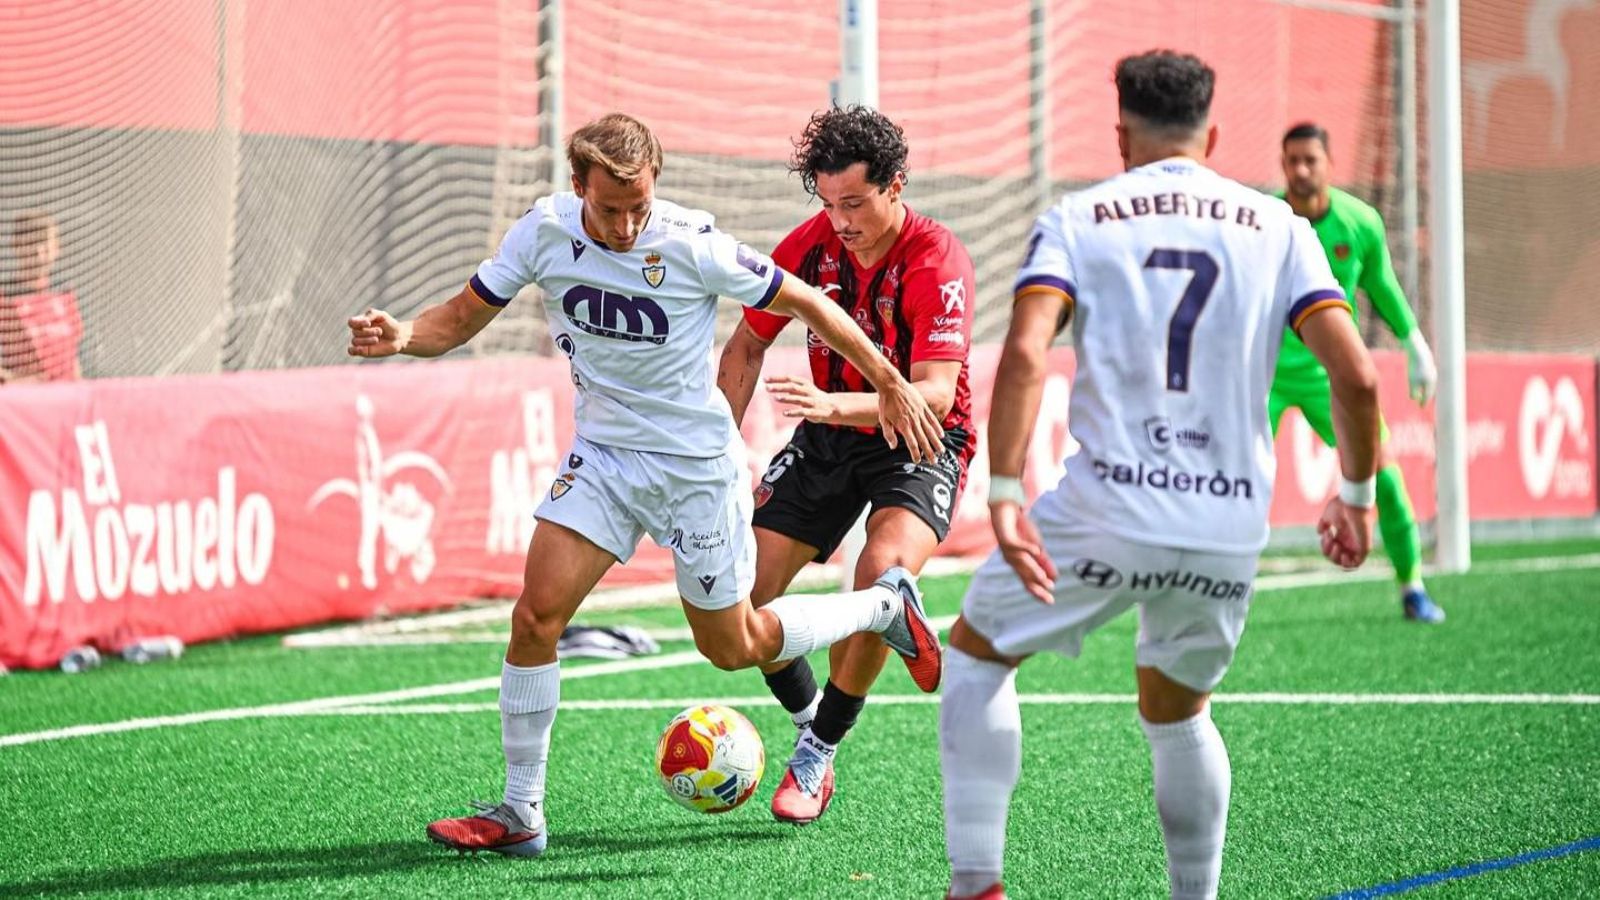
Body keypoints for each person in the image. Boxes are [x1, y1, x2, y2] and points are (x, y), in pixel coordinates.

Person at [344, 113, 947, 858]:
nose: (627, 226)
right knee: (535, 618)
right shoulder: (542, 233)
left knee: (734, 647)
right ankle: (521, 810)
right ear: (578, 188)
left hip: (695, 472)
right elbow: (461, 317)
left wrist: (888, 380)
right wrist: (404, 336)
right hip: (604, 461)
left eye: (639, 207)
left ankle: (881, 607)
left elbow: (810, 304)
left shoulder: (691, 243)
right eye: (609, 210)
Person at [937, 51, 1382, 900]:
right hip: (1223, 525)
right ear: (1211, 135)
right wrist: (1354, 497)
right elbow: (1357, 377)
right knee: (1178, 713)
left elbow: (1028, 350)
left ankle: (978, 884)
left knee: (977, 654)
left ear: (1120, 135)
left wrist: (1001, 493)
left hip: (1104, 510)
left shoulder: (1079, 217)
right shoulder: (1278, 227)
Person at [716, 106, 977, 825]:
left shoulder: (938, 258)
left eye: (855, 203)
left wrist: (832, 405)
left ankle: (819, 751)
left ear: (897, 186)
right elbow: (744, 346)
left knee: (879, 572)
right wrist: (714, 449)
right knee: (739, 605)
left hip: (921, 440)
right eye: (828, 205)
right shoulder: (808, 245)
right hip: (828, 438)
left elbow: (926, 395)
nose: (840, 221)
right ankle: (812, 716)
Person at [1277, 122, 1444, 622]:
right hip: (1262, 374)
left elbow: (1382, 287)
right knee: (1225, 480)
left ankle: (1412, 585)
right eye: (1292, 161)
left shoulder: (1360, 222)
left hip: (1332, 376)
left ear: (1329, 163)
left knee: (1385, 479)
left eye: (1311, 160)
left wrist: (1416, 343)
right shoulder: (1264, 219)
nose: (1301, 170)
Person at [0, 211, 81, 384]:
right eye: (32, 242)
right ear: (16, 245)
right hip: (25, 404)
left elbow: (73, 360)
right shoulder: (5, 298)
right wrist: (15, 381)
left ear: (57, 247)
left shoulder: (64, 295)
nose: (38, 251)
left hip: (67, 400)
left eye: (44, 242)